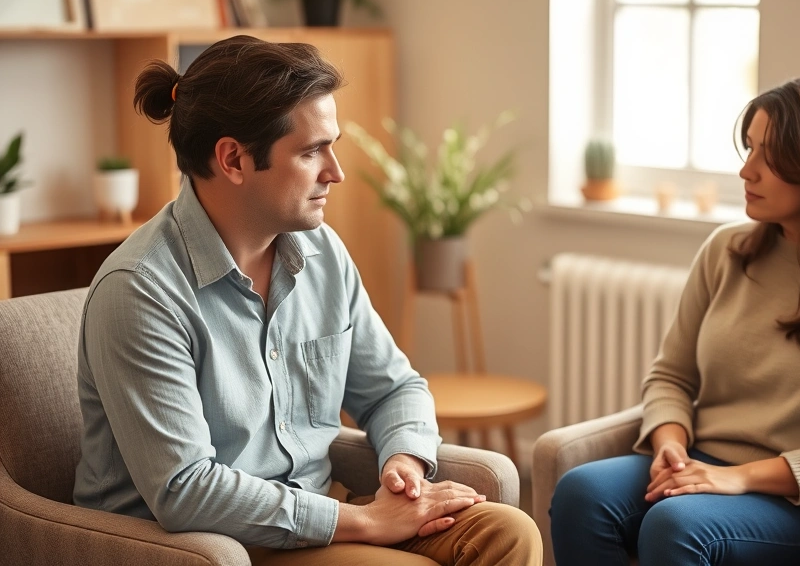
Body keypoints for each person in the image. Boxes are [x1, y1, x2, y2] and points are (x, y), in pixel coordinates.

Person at [73, 35, 541, 566]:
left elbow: (394, 388)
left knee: (508, 533)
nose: (335, 171)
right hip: (208, 544)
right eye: (311, 150)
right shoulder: (141, 290)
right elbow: (186, 489)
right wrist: (365, 522)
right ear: (234, 159)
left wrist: (404, 464)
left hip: (319, 514)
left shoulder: (321, 252)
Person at [549, 77, 800, 565]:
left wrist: (737, 478)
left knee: (676, 526)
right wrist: (670, 445)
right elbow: (671, 375)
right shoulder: (727, 250)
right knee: (581, 494)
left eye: (770, 155)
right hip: (707, 460)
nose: (746, 170)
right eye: (749, 147)